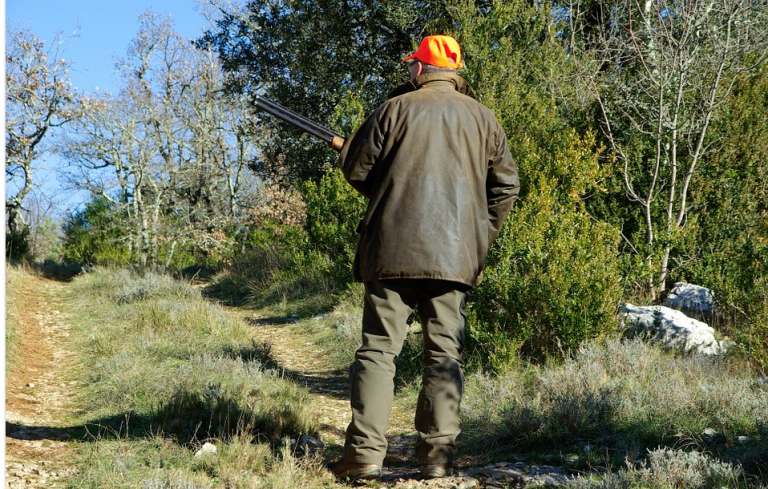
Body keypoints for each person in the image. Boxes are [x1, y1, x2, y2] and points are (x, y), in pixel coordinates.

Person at [331, 34, 520, 482]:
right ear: (454, 72)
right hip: (456, 257)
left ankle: (363, 458)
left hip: (390, 252)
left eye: (411, 65)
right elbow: (506, 188)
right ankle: (437, 458)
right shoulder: (484, 119)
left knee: (378, 352)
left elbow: (358, 170)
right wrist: (478, 236)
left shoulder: (394, 110)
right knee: (443, 354)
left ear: (420, 68)